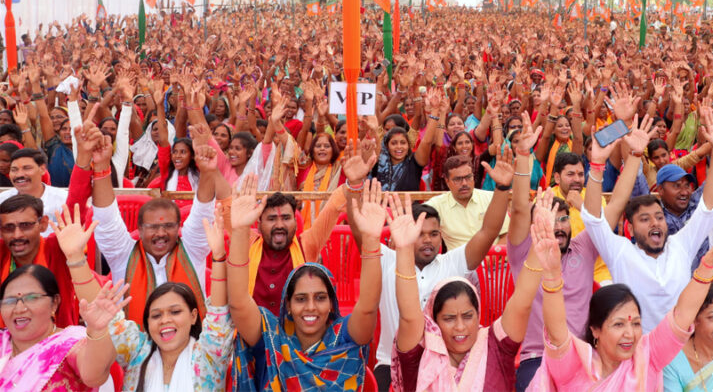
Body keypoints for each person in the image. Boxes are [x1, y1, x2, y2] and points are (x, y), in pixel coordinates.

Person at [525, 195, 713, 391]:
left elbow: (683, 313)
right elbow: (557, 332)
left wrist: (709, 263)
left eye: (636, 324)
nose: (630, 334)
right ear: (595, 330)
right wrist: (552, 275)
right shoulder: (575, 364)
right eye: (618, 324)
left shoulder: (648, 357)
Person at [344, 153, 513, 391]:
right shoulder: (386, 259)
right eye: (419, 233)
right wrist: (354, 186)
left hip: (448, 365)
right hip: (392, 364)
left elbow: (488, 231)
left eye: (433, 234)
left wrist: (503, 188)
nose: (427, 240)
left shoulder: (453, 262)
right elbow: (360, 229)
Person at [582, 109, 713, 333]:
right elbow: (593, 220)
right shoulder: (619, 252)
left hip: (681, 348)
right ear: (630, 229)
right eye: (644, 219)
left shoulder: (681, 246)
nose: (655, 223)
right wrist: (598, 165)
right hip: (637, 349)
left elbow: (709, 207)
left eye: (658, 217)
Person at [227, 173, 384, 391]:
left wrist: (372, 241)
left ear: (332, 303)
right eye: (300, 299)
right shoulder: (272, 341)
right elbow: (238, 302)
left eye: (320, 298)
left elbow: (368, 307)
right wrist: (239, 231)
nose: (311, 307)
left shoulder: (343, 337)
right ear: (288, 305)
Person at [56, 202, 235, 390]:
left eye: (175, 312)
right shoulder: (136, 352)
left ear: (193, 316)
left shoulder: (210, 354)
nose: (165, 320)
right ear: (147, 323)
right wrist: (75, 258)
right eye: (156, 315)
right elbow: (101, 313)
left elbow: (219, 311)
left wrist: (219, 257)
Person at [390, 188, 548, 391]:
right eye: (448, 318)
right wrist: (404, 249)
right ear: (434, 321)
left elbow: (522, 303)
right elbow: (409, 316)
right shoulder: (422, 351)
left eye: (467, 316)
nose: (460, 327)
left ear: (478, 314)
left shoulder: (496, 345)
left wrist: (538, 246)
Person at [89, 135, 223, 325]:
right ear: (139, 229)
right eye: (152, 227)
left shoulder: (192, 249)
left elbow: (203, 211)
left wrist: (208, 172)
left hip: (190, 342)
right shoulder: (123, 254)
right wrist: (101, 166)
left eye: (168, 226)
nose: (161, 233)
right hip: (134, 344)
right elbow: (106, 219)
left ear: (179, 227)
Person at [508, 139, 601, 391]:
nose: (557, 227)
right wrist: (523, 156)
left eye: (563, 219)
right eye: (550, 220)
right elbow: (519, 209)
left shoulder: (582, 248)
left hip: (581, 356)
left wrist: (599, 164)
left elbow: (599, 217)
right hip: (537, 357)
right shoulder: (523, 253)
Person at [0, 264, 125, 390]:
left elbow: (93, 376)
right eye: (10, 301)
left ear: (54, 302)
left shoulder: (68, 342)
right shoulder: (2, 340)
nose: (19, 309)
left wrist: (98, 330)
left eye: (31, 298)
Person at [0, 195, 83, 328]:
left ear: (43, 224)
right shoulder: (2, 252)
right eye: (8, 227)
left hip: (57, 338)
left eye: (25, 225)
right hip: (6, 338)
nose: (17, 235)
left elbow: (79, 199)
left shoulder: (59, 248)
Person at [425, 154, 509, 249]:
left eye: (468, 177)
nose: (464, 183)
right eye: (457, 179)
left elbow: (506, 234)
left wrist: (491, 256)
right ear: (447, 181)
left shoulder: (491, 198)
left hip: (494, 256)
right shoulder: (437, 205)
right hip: (458, 258)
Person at [371, 88, 439, 191]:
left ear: (408, 145)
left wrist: (435, 110)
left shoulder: (414, 163)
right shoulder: (378, 163)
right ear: (387, 145)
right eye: (394, 143)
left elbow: (427, 141)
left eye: (403, 143)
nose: (399, 147)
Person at [0, 147, 68, 229]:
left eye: (27, 168)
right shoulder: (2, 200)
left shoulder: (64, 200)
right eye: (14, 170)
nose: (19, 174)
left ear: (42, 169)